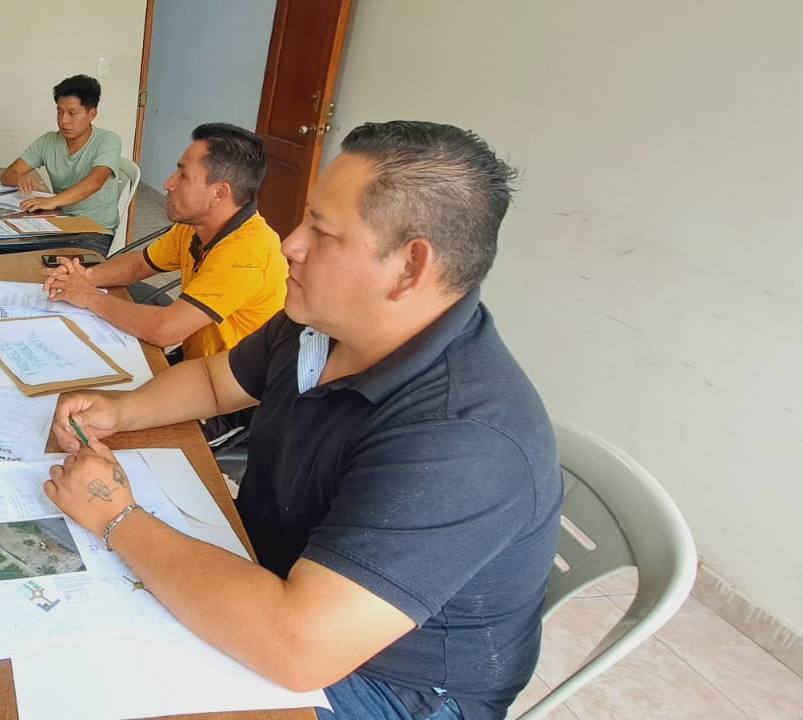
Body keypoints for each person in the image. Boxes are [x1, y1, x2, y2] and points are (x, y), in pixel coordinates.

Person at [44, 121, 561, 720]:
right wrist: (120, 409)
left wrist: (116, 517)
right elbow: (215, 381)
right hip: (278, 579)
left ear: (410, 267)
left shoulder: (464, 437)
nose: (291, 243)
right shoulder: (319, 320)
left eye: (322, 229)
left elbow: (298, 648)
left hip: (386, 685)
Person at [44, 123, 287, 443]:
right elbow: (139, 264)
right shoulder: (196, 226)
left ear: (219, 193)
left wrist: (89, 296)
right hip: (197, 367)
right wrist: (82, 277)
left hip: (235, 397)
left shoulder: (247, 252)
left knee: (110, 439)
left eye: (183, 175)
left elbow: (165, 329)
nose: (168, 184)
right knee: (85, 395)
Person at [0, 74, 125, 256]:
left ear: (91, 114)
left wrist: (52, 201)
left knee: (53, 266)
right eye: (59, 112)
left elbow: (95, 181)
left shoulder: (108, 140)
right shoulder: (48, 141)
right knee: (7, 251)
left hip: (94, 230)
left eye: (72, 113)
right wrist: (20, 178)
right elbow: (8, 174)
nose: (64, 120)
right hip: (57, 223)